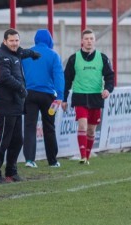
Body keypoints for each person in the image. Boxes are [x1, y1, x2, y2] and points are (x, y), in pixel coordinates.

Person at [0, 28, 40, 184]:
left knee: (17, 140)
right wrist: (21, 88)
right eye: (11, 41)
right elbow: (4, 77)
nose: (15, 43)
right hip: (6, 105)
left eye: (17, 40)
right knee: (3, 140)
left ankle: (11, 172)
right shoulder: (1, 56)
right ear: (5, 41)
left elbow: (22, 52)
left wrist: (32, 54)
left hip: (16, 106)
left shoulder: (15, 52)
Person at [62, 29, 114, 165]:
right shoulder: (74, 58)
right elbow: (66, 80)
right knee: (83, 125)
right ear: (82, 41)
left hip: (96, 97)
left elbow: (110, 76)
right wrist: (64, 99)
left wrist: (108, 90)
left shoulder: (102, 58)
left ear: (94, 41)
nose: (89, 41)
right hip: (79, 96)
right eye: (86, 39)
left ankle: (87, 156)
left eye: (91, 38)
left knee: (91, 130)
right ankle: (82, 156)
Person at [22, 29, 64, 168]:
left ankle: (29, 160)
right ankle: (52, 161)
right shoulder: (53, 55)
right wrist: (60, 96)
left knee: (29, 127)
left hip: (29, 94)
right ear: (49, 40)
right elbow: (58, 77)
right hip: (48, 96)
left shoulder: (26, 54)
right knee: (49, 127)